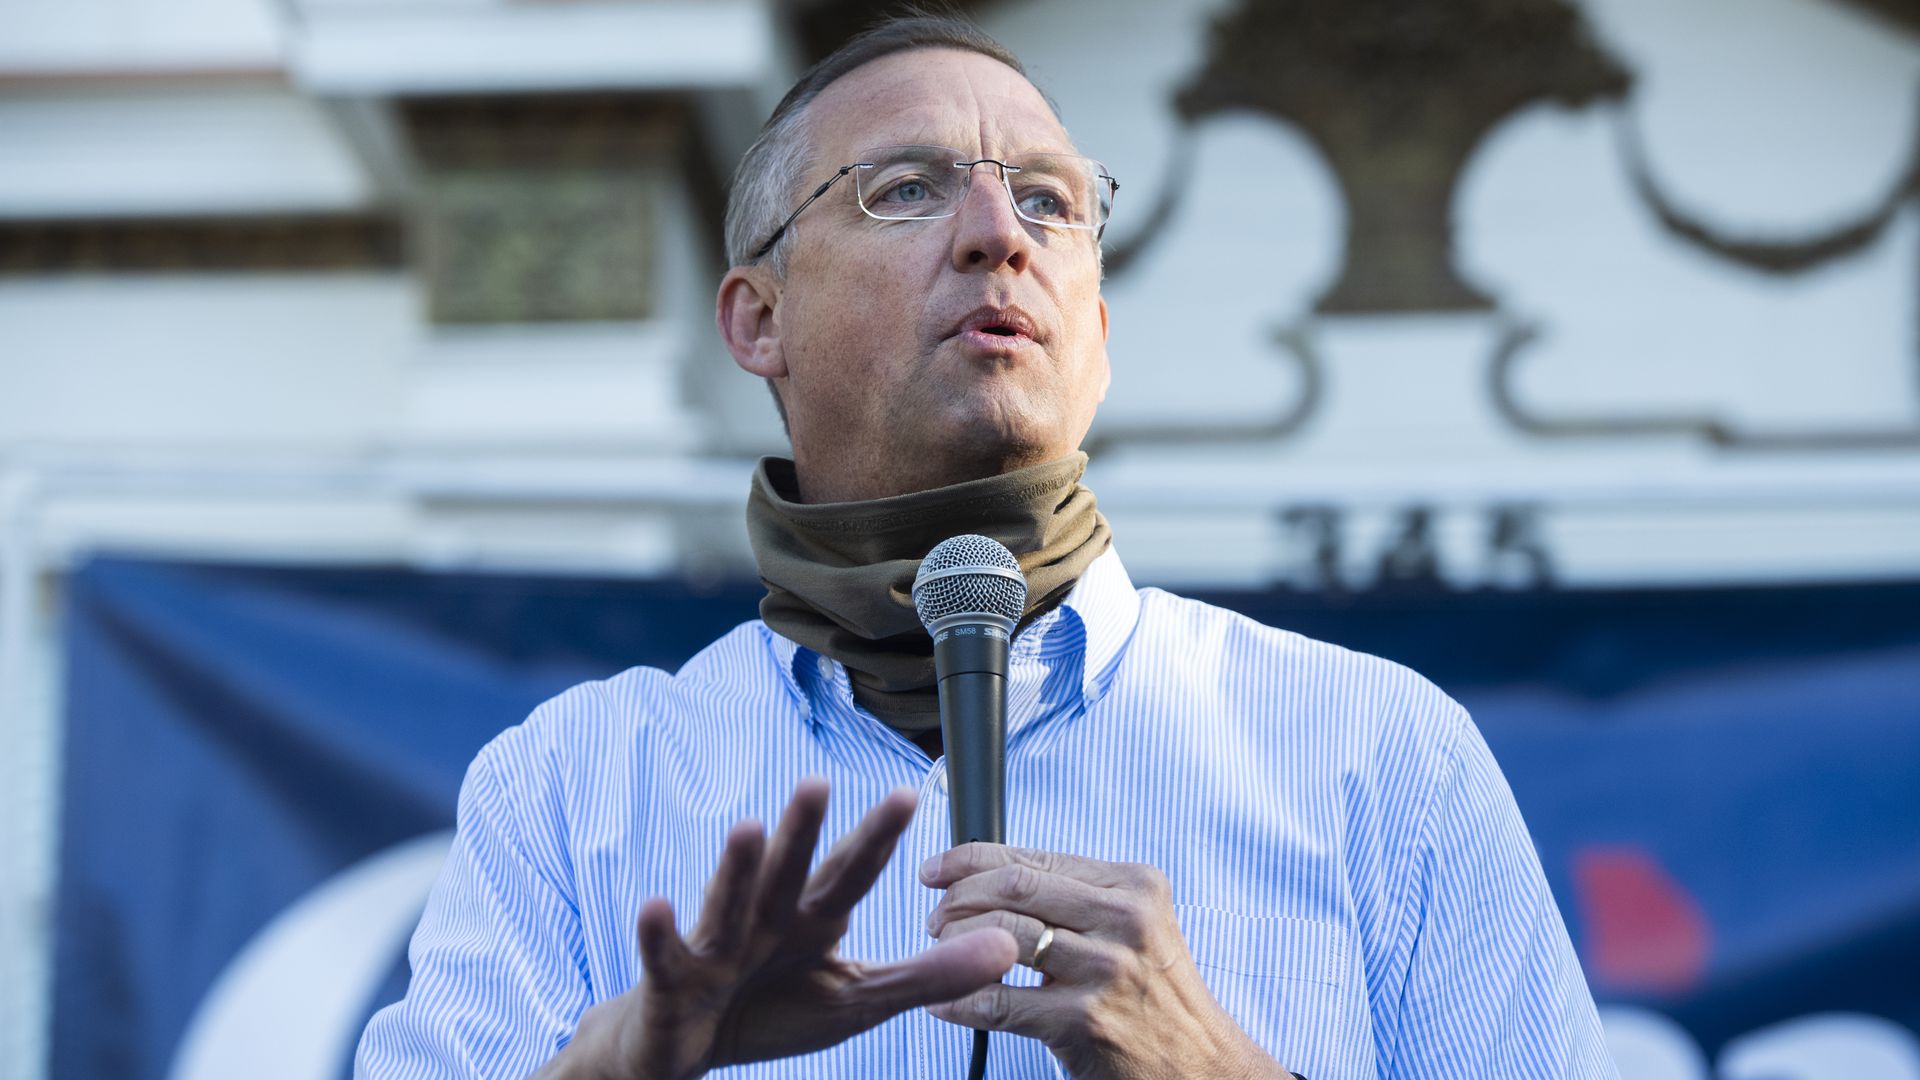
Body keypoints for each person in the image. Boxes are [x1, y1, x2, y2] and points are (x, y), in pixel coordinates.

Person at [357, 14, 1617, 1080]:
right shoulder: (572, 789)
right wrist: (606, 1069)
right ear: (757, 319)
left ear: (1098, 337)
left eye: (1049, 200)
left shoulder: (1381, 754)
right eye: (908, 188)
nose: (998, 233)